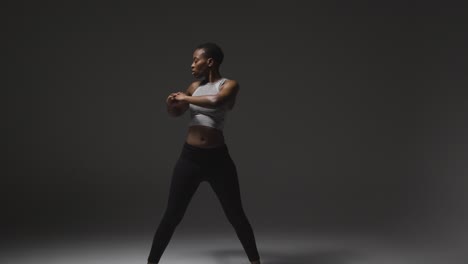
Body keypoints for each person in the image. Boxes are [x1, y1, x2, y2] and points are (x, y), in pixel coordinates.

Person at [147, 43, 261, 264]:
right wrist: (171, 104)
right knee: (172, 216)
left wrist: (185, 99)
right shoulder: (193, 87)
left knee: (236, 215)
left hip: (218, 160)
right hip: (190, 159)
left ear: (210, 61)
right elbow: (176, 113)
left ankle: (256, 262)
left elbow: (216, 101)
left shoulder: (229, 85)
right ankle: (151, 262)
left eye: (195, 59)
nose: (191, 64)